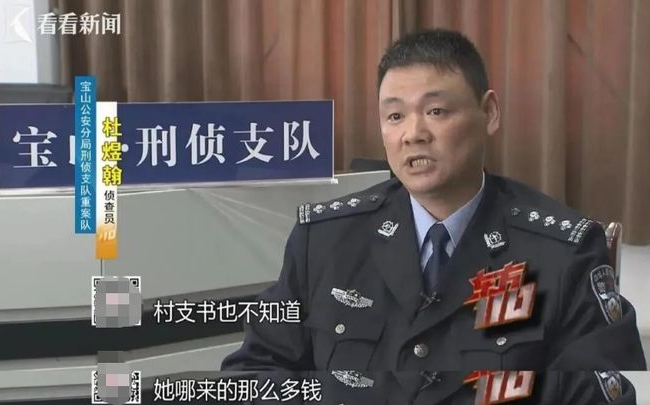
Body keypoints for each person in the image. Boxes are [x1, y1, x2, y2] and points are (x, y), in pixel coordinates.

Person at [222, 29, 646, 403]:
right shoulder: (324, 239)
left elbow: (599, 395)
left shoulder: (562, 252)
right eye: (395, 116)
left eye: (436, 111)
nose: (413, 134)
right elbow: (254, 373)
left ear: (490, 113)